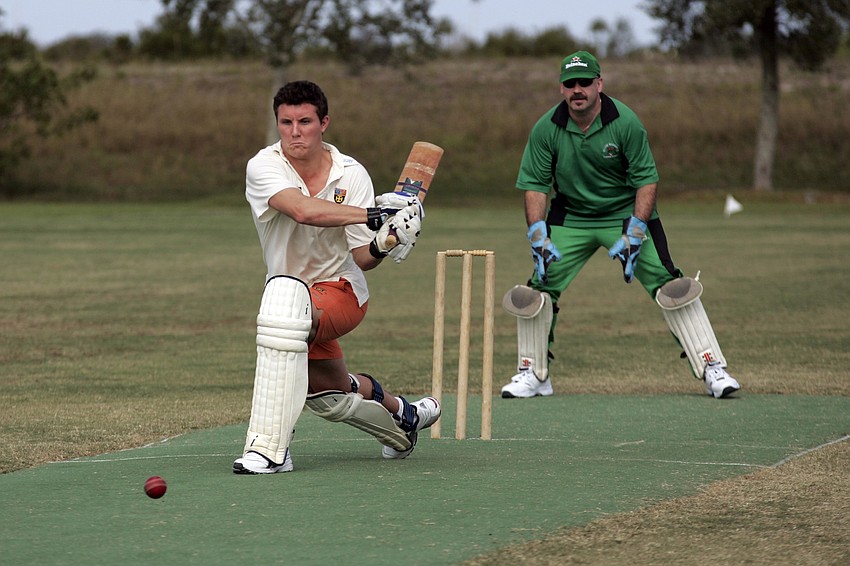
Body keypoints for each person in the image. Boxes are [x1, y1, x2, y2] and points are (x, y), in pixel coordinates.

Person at [500, 51, 740, 400]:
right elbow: (536, 186)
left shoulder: (625, 122)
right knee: (537, 290)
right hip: (572, 217)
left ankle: (712, 367)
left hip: (626, 214)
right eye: (570, 84)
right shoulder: (546, 128)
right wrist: (537, 234)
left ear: (600, 83)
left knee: (672, 287)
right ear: (562, 88)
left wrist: (637, 230)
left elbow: (646, 180)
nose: (577, 90)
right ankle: (533, 373)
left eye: (585, 82)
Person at [233, 80, 441, 474]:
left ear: (324, 122)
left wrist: (389, 239)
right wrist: (374, 215)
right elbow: (303, 211)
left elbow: (362, 257)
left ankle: (270, 449)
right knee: (329, 395)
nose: (295, 132)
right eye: (286, 122)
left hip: (341, 290)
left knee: (284, 313)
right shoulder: (264, 166)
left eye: (305, 121)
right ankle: (403, 419)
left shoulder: (352, 173)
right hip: (289, 294)